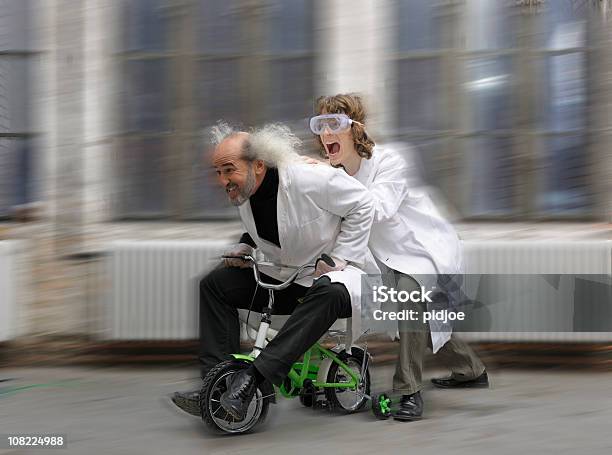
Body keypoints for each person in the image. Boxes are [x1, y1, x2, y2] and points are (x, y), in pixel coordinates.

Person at [172, 122, 377, 420]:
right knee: (214, 284)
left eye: (228, 170)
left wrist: (340, 257)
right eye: (218, 172)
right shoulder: (246, 191)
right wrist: (245, 246)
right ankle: (216, 388)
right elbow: (272, 227)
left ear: (258, 165)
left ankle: (250, 381)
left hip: (337, 280)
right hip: (289, 278)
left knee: (329, 291)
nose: (222, 180)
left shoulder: (309, 178)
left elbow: (364, 204)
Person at [309, 93, 488, 422]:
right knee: (430, 322)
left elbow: (378, 209)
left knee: (412, 305)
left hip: (421, 250)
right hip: (381, 257)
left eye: (335, 124)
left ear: (355, 129)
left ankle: (408, 392)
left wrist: (330, 184)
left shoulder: (390, 160)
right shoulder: (334, 175)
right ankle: (472, 370)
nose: (326, 134)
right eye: (320, 125)